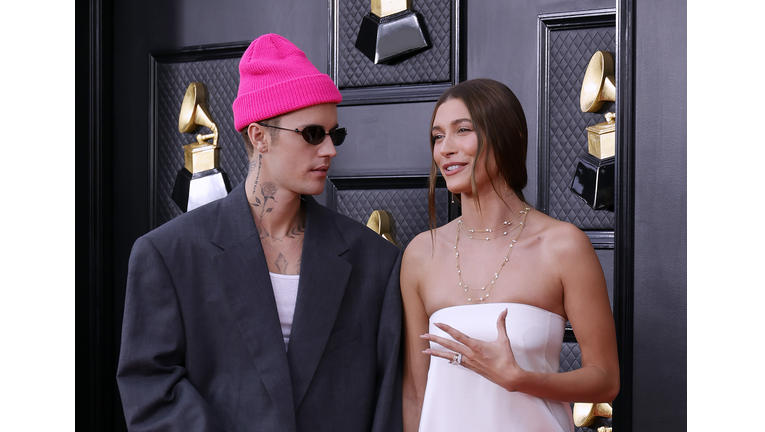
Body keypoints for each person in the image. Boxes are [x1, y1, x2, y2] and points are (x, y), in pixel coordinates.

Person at [117, 33, 403, 432]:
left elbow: (389, 398)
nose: (330, 150)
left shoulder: (375, 261)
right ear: (259, 136)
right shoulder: (168, 255)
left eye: (333, 134)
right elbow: (150, 388)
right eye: (312, 134)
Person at [400, 78, 619, 431]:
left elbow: (605, 379)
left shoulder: (562, 246)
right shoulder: (421, 254)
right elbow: (415, 392)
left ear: (508, 138)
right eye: (438, 136)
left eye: (463, 130)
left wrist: (519, 378)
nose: (445, 148)